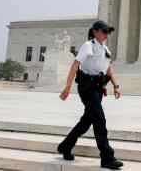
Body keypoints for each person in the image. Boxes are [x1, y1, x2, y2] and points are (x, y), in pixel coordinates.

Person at [57, 20, 124, 169]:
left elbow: (108, 70)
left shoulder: (106, 49)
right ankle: (107, 157)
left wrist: (116, 86)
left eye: (108, 32)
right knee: (99, 119)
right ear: (95, 32)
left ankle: (65, 146)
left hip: (98, 88)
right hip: (87, 87)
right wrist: (67, 87)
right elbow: (75, 64)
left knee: (87, 121)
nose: (107, 34)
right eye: (104, 31)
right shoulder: (88, 46)